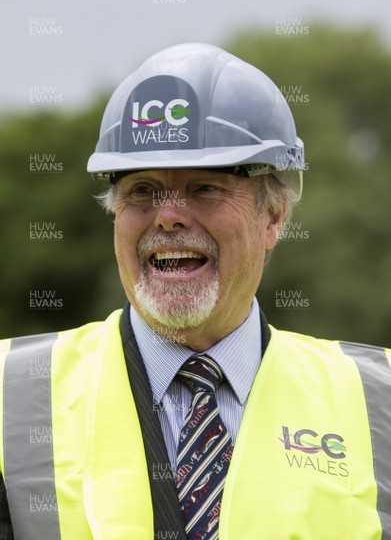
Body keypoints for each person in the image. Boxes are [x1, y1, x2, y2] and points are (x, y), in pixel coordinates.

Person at [0, 43, 390, 540]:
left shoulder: (379, 401)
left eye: (205, 188)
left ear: (272, 216)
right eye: (141, 190)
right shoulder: (10, 397)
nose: (168, 216)